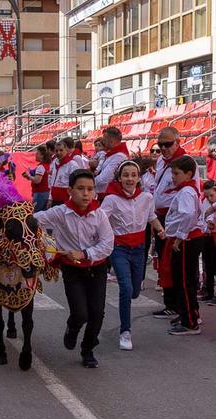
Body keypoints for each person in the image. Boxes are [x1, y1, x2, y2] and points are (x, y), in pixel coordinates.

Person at [34, 170, 113, 368]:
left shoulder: (100, 214)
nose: (86, 194)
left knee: (97, 313)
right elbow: (35, 219)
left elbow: (108, 243)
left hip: (97, 268)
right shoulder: (60, 212)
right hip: (73, 270)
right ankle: (72, 327)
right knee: (80, 313)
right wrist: (19, 213)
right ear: (70, 190)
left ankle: (88, 349)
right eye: (80, 189)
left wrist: (85, 253)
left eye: (90, 189)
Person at [100, 161, 163, 351]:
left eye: (133, 175)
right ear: (119, 178)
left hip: (139, 250)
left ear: (138, 178)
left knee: (135, 290)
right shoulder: (111, 199)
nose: (129, 179)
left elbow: (151, 216)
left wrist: (160, 229)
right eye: (125, 175)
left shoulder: (146, 197)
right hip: (119, 248)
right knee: (126, 289)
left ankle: (133, 292)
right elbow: (100, 219)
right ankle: (125, 332)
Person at [165, 155, 205, 336]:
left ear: (188, 174)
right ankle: (188, 314)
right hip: (186, 237)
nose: (173, 177)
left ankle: (190, 322)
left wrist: (180, 236)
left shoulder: (187, 192)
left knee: (184, 281)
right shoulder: (186, 190)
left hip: (186, 239)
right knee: (184, 280)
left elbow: (188, 215)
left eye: (176, 173)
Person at [152, 127, 188, 317]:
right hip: (160, 216)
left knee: (173, 262)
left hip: (173, 217)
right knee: (163, 260)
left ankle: (177, 305)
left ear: (178, 142)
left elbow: (187, 192)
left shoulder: (185, 163)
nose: (164, 148)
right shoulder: (161, 161)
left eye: (168, 144)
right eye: (161, 145)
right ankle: (170, 303)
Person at [93, 126, 129, 199]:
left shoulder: (119, 156)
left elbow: (104, 178)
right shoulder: (114, 154)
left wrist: (88, 183)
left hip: (107, 195)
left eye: (104, 139)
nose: (103, 142)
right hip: (105, 194)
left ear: (111, 140)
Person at [48, 137, 84, 207]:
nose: (58, 153)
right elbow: (52, 182)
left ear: (66, 150)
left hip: (66, 200)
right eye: (56, 151)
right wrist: (50, 198)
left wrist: (71, 201)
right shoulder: (55, 163)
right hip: (54, 199)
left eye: (61, 150)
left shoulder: (72, 164)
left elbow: (76, 184)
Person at [22, 145, 51, 213]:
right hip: (46, 192)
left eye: (37, 153)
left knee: (36, 214)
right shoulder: (48, 165)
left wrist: (28, 176)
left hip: (40, 193)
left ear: (42, 155)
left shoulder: (41, 166)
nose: (36, 155)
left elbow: (37, 180)